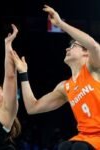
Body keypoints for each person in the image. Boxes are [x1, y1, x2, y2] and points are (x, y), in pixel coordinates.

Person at [11, 4, 100, 150]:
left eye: (73, 46)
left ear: (86, 53)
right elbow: (32, 107)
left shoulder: (94, 69)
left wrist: (60, 24)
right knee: (64, 146)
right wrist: (23, 73)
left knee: (79, 148)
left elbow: (94, 47)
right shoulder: (64, 87)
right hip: (85, 136)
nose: (67, 48)